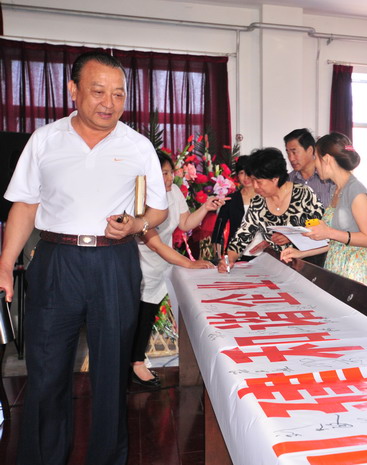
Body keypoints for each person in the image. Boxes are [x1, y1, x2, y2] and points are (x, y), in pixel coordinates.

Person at [0, 51, 168, 464]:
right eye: (98, 91)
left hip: (114, 263)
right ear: (73, 90)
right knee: (46, 372)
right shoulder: (45, 140)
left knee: (111, 375)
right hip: (55, 261)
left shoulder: (137, 146)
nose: (109, 103)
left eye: (118, 94)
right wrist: (4, 264)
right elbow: (25, 205)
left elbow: (158, 211)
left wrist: (135, 224)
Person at [131, 152, 218, 388]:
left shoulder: (174, 192)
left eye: (170, 172)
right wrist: (188, 263)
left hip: (164, 263)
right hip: (141, 264)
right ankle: (135, 363)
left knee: (147, 314)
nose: (169, 178)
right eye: (163, 173)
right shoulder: (139, 199)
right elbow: (154, 244)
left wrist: (205, 208)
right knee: (140, 315)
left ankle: (135, 361)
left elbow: (185, 223)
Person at [281, 133, 367, 286]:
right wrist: (301, 253)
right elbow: (334, 243)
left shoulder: (355, 190)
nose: (315, 164)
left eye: (316, 158)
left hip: (353, 271)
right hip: (335, 266)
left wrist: (329, 232)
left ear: (327, 159)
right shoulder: (335, 189)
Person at [217, 147, 324, 271]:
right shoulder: (258, 201)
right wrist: (228, 260)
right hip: (279, 267)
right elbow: (242, 236)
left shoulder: (303, 194)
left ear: (275, 179)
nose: (255, 187)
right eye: (253, 181)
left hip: (308, 266)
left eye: (259, 182)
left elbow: (322, 228)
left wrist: (293, 236)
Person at [211, 155, 265, 261]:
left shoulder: (266, 197)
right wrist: (219, 257)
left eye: (249, 173)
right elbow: (218, 231)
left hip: (264, 255)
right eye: (241, 173)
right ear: (237, 175)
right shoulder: (230, 199)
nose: (246, 177)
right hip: (236, 256)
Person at [285, 128, 335, 207]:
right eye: (288, 153)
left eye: (294, 152)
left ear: (310, 150)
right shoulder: (288, 180)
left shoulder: (330, 180)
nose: (291, 158)